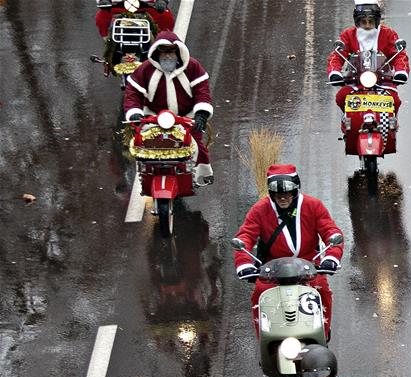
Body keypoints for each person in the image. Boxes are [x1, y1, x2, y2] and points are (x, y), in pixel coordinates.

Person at [233, 165, 344, 339]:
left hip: (309, 267)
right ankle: (265, 339)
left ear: (295, 191)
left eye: (288, 192)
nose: (283, 197)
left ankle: (322, 332)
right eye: (278, 193)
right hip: (273, 271)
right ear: (271, 193)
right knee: (259, 294)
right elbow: (245, 236)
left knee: (321, 290)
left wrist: (331, 258)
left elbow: (332, 232)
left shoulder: (313, 205)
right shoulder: (260, 209)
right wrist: (244, 263)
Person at [123, 31, 214, 186]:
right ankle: (147, 176)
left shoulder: (192, 67)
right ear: (157, 52)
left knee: (196, 147)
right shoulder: (145, 70)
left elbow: (202, 91)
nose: (167, 55)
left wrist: (201, 114)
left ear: (178, 51)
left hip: (186, 118)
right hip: (154, 118)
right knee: (145, 147)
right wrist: (135, 113)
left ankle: (200, 175)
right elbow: (133, 94)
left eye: (171, 50)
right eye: (163, 51)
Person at [326, 1, 409, 113]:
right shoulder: (348, 35)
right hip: (356, 82)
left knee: (395, 101)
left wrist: (401, 72)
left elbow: (399, 56)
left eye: (371, 22)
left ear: (377, 21)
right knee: (341, 97)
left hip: (383, 82)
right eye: (363, 22)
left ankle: (391, 126)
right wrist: (335, 73)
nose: (367, 26)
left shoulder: (388, 34)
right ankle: (348, 123)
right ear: (357, 22)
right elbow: (337, 56)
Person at [95, 0, 175, 39]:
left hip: (148, 5)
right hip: (118, 6)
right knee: (101, 17)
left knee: (166, 17)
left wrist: (162, 1)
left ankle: (163, 46)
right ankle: (109, 47)